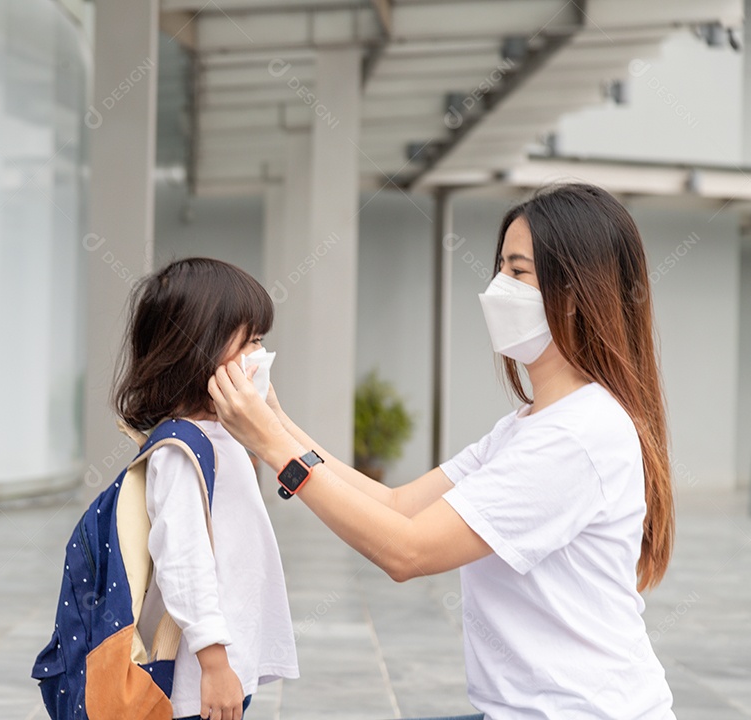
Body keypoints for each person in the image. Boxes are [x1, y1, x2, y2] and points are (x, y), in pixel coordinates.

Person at [208, 183, 677, 719]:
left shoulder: (576, 436)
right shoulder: (528, 426)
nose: (499, 286)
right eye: (500, 267)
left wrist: (272, 448)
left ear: (576, 293)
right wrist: (274, 420)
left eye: (519, 272)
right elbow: (397, 505)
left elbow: (408, 551)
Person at [113, 257, 299, 720]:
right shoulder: (181, 448)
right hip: (200, 680)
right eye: (252, 340)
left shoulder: (222, 434)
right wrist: (215, 665)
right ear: (198, 348)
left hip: (224, 668)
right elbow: (184, 561)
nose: (261, 354)